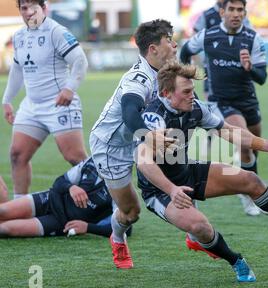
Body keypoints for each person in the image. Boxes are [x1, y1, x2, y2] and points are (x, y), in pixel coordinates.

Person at [135, 61, 268, 283]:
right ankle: (235, 260)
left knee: (250, 180)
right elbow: (144, 163)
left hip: (186, 171)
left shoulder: (196, 108)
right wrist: (171, 190)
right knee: (200, 227)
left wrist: (265, 145)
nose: (192, 95)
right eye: (186, 91)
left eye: (192, 89)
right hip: (159, 189)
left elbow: (228, 131)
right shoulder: (153, 118)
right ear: (166, 94)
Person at [89, 19, 182, 269]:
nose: (174, 45)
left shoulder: (167, 71)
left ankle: (197, 234)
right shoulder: (138, 78)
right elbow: (130, 111)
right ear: (153, 48)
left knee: (183, 172)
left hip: (140, 137)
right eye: (168, 40)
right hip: (111, 147)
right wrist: (149, 135)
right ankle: (117, 238)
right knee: (131, 212)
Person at [180, 0, 267, 216]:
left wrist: (250, 69)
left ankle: (245, 179)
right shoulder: (207, 35)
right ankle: (251, 200)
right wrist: (187, 77)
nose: (236, 14)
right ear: (222, 12)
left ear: (244, 13)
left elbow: (262, 77)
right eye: (232, 9)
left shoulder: (253, 38)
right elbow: (185, 51)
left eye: (240, 10)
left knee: (254, 146)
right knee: (245, 145)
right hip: (221, 101)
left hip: (248, 101)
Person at [2, 0, 88, 199]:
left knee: (75, 157)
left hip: (59, 103)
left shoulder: (56, 31)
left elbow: (80, 60)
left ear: (44, 8)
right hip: (32, 106)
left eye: (34, 7)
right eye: (24, 8)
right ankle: (19, 206)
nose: (29, 12)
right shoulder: (19, 36)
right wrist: (7, 99)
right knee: (17, 155)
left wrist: (69, 89)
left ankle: (112, 203)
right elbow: (17, 69)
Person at [0, 157, 132, 238]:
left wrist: (87, 227)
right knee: (3, 211)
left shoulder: (120, 186)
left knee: (6, 229)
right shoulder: (91, 162)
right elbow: (59, 182)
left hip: (61, 223)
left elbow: (126, 228)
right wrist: (71, 187)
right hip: (50, 199)